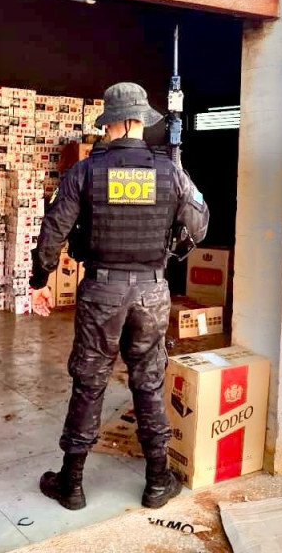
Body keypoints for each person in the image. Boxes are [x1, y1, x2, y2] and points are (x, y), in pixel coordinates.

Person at [30, 82, 209, 510]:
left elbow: (52, 232)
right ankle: (157, 481)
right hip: (152, 290)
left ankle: (71, 484)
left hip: (102, 291)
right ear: (139, 121)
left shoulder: (85, 172)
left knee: (89, 382)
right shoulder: (170, 170)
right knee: (148, 382)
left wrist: (40, 281)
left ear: (111, 123)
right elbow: (200, 226)